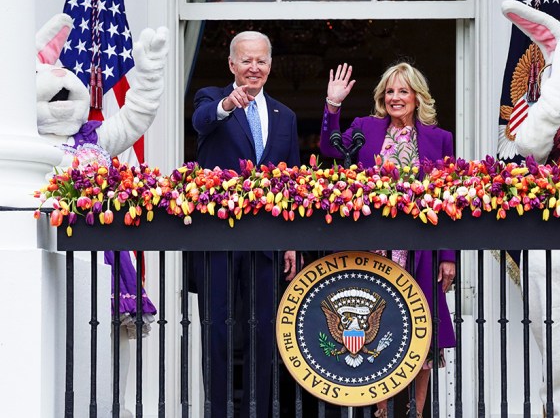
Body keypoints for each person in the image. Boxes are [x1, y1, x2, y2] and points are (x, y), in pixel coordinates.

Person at [319, 62, 456, 418]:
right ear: (383, 97)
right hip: (374, 250)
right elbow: (330, 150)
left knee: (420, 330)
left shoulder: (439, 139)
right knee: (377, 326)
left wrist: (448, 256)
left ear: (417, 97)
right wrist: (333, 106)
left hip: (419, 252)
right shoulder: (365, 128)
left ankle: (416, 412)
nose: (396, 98)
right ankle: (379, 410)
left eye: (403, 91)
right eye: (390, 91)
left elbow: (447, 200)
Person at [191, 31, 301, 418]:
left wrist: (290, 242)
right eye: (246, 60)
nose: (254, 67)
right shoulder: (210, 97)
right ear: (232, 65)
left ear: (270, 66)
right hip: (219, 239)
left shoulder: (284, 116)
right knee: (218, 330)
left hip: (267, 241)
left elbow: (291, 186)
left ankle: (258, 410)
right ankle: (218, 412)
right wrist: (226, 104)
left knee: (263, 331)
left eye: (261, 61)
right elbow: (202, 122)